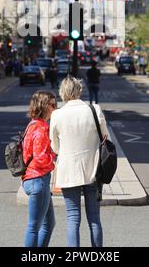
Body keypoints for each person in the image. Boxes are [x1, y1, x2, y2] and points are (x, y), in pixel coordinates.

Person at [50, 76, 108, 247]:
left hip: (68, 170)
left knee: (73, 218)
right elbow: (105, 138)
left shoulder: (57, 114)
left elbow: (54, 146)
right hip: (93, 169)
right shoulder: (94, 110)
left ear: (62, 93)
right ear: (80, 90)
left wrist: (67, 152)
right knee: (94, 219)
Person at [21, 91, 57, 247]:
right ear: (44, 106)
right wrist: (54, 157)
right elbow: (41, 158)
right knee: (34, 226)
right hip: (38, 180)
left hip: (31, 179)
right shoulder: (42, 128)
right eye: (53, 105)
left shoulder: (32, 124)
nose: (55, 108)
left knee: (48, 224)